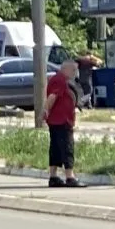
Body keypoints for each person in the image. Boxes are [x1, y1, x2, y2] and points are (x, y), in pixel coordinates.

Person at [45, 54, 93, 189]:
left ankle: (53, 176)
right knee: (67, 148)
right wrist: (45, 111)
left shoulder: (59, 79)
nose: (75, 73)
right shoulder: (59, 80)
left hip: (57, 120)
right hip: (61, 120)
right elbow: (52, 97)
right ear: (65, 69)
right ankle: (70, 176)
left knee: (55, 149)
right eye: (73, 70)